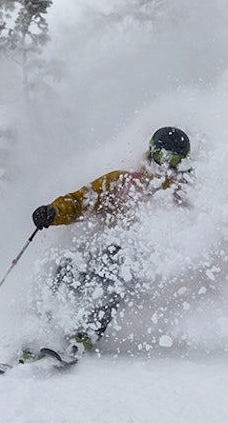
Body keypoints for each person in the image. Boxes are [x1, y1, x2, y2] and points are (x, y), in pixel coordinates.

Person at [29, 126, 192, 359]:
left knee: (115, 268)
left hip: (147, 265)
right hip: (105, 247)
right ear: (152, 152)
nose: (166, 164)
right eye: (162, 156)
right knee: (67, 265)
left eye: (173, 159)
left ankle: (87, 332)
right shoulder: (123, 182)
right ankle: (42, 328)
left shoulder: (184, 194)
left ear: (183, 161)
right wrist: (53, 212)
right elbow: (80, 202)